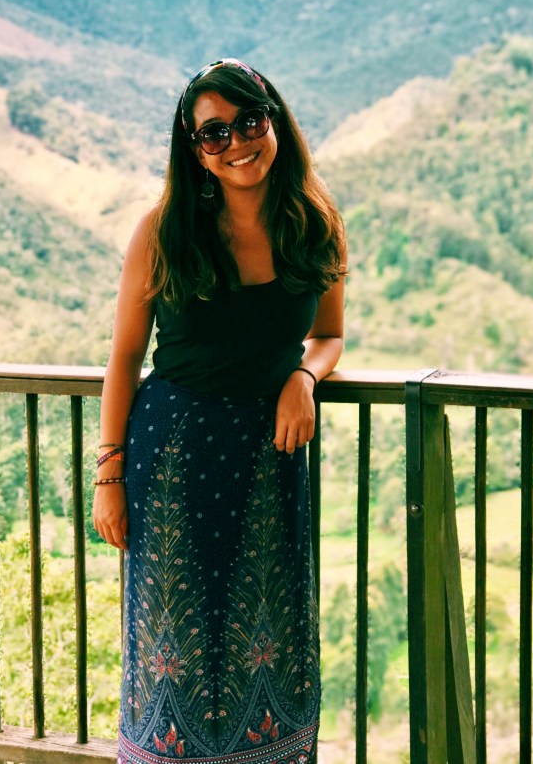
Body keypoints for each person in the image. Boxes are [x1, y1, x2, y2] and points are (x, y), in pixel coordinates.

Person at [93, 59, 346, 764]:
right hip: (174, 459)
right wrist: (109, 474)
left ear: (274, 121)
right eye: (214, 133)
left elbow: (330, 334)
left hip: (270, 457)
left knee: (270, 631)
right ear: (195, 148)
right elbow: (124, 359)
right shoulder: (165, 230)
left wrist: (304, 375)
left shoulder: (316, 224)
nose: (236, 142)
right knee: (171, 645)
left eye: (249, 121)